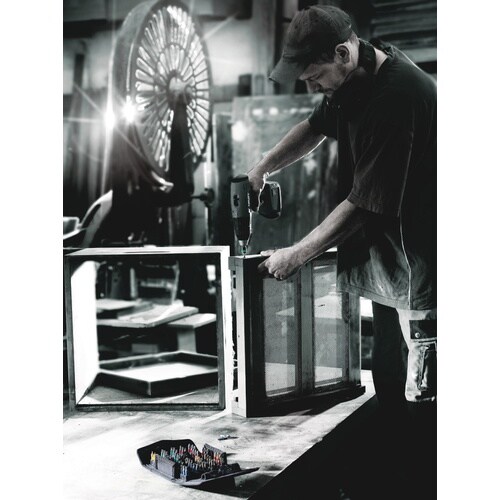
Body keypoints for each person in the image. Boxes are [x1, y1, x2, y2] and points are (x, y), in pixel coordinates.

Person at [247, 4, 437, 498]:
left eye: (316, 78)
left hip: (423, 270)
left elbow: (363, 205)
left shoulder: (397, 97)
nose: (315, 89)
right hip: (389, 265)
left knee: (426, 395)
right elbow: (315, 126)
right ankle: (393, 480)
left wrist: (297, 254)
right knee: (388, 374)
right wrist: (264, 165)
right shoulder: (354, 79)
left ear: (342, 53)